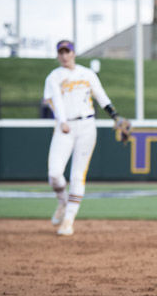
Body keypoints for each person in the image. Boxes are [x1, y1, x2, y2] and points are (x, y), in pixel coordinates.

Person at [43, 40, 129, 236]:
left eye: (67, 51)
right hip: (64, 127)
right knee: (55, 174)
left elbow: (101, 96)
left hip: (87, 126)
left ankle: (68, 220)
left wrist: (115, 116)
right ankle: (63, 202)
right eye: (61, 52)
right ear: (58, 55)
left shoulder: (87, 74)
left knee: (76, 176)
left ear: (73, 53)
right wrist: (62, 120)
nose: (64, 55)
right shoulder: (54, 77)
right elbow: (52, 100)